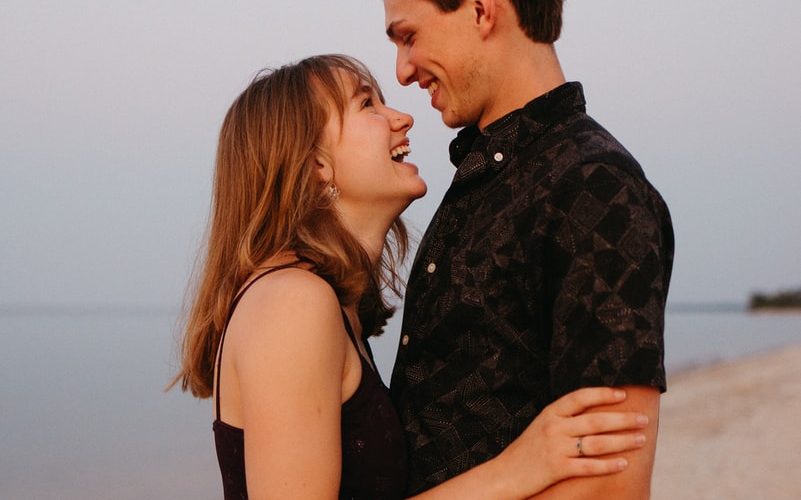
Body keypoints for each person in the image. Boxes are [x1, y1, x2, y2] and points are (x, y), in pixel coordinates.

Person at [172, 54, 653, 499]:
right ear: (316, 166)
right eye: (367, 104)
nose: (401, 118)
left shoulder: (321, 304)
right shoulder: (292, 302)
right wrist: (513, 470)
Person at [383, 0, 674, 498]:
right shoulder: (488, 177)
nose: (403, 71)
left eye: (408, 37)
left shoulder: (593, 187)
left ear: (480, 10)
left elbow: (611, 483)